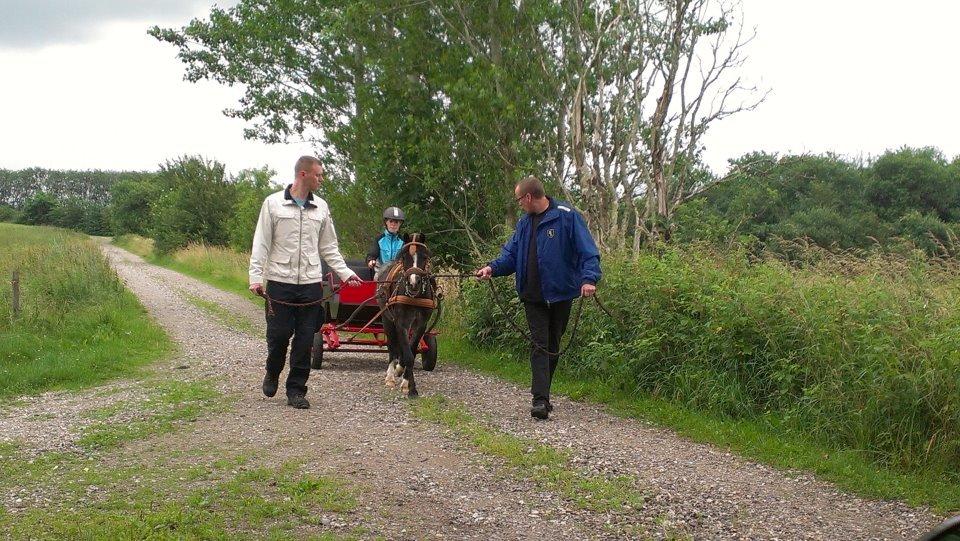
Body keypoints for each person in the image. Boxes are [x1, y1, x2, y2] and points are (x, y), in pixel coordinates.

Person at [475, 175, 601, 420]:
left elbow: (588, 251)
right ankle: (540, 400)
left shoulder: (567, 216)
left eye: (519, 199)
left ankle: (544, 394)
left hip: (561, 294)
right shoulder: (524, 224)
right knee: (540, 344)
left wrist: (588, 279)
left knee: (553, 346)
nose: (519, 203)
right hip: (532, 295)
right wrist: (492, 268)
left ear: (529, 197)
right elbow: (510, 255)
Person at [249, 156, 361, 410]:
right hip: (279, 281)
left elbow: (329, 247)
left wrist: (345, 273)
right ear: (303, 175)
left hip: (311, 283)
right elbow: (261, 243)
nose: (321, 179)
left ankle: (296, 390)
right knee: (278, 336)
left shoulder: (321, 207)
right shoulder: (273, 203)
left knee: (304, 339)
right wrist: (255, 278)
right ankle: (272, 371)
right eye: (318, 175)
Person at [366, 206, 405, 280]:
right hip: (382, 271)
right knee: (377, 280)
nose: (393, 224)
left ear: (400, 224)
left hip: (398, 273)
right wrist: (371, 260)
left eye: (396, 222)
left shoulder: (403, 241)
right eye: (391, 221)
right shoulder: (379, 239)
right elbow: (372, 254)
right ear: (386, 222)